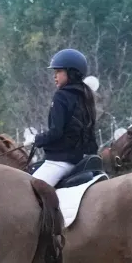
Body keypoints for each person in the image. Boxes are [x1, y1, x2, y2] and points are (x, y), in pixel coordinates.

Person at [26, 49, 99, 186]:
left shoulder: (61, 96)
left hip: (61, 161)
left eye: (58, 72)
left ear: (71, 73)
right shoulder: (86, 96)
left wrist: (37, 139)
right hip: (83, 160)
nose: (55, 76)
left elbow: (56, 132)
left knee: (29, 189)